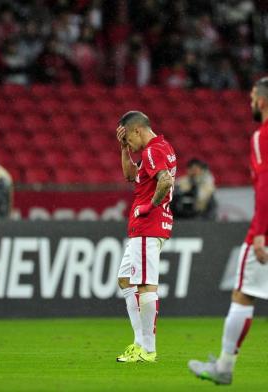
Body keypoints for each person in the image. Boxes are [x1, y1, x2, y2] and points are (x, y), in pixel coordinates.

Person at [188, 77, 268, 384]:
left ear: (261, 102)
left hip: (265, 231)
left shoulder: (262, 136)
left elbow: (264, 186)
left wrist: (260, 231)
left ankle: (224, 366)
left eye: (251, 98)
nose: (250, 103)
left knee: (243, 295)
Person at [115, 111, 176, 363]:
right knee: (126, 279)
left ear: (138, 131)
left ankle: (147, 350)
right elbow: (131, 176)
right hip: (146, 227)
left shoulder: (152, 150)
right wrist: (123, 149)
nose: (129, 144)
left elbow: (166, 181)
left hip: (147, 225)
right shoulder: (159, 148)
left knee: (145, 285)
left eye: (129, 140)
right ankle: (140, 344)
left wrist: (149, 207)